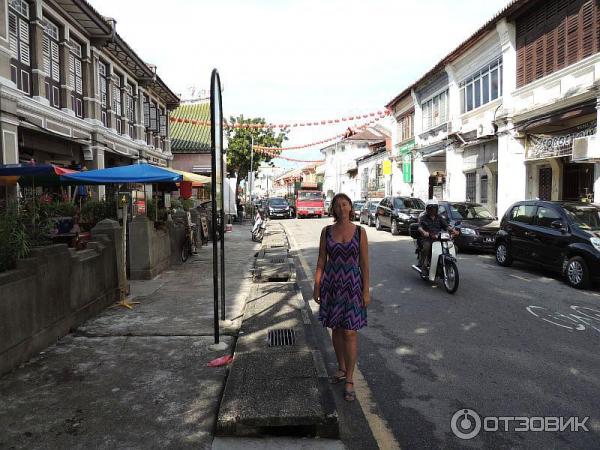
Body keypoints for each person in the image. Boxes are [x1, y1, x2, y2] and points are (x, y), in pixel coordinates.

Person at [313, 193, 370, 402]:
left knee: (350, 332)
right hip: (332, 285)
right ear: (333, 210)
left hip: (353, 285)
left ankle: (350, 379)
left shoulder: (360, 232)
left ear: (350, 207)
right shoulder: (326, 231)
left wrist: (366, 290)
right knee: (336, 329)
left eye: (344, 204)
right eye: (337, 205)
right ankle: (341, 367)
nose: (341, 208)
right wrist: (317, 285)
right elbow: (321, 261)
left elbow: (364, 263)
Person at [417, 199, 459, 269]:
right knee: (426, 247)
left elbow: (446, 226)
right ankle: (423, 263)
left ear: (437, 209)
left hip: (438, 238)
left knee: (454, 247)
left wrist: (453, 230)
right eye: (431, 208)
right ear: (427, 209)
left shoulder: (439, 217)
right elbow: (419, 227)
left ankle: (447, 263)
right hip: (428, 238)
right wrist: (424, 232)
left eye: (434, 208)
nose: (433, 210)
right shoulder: (423, 218)